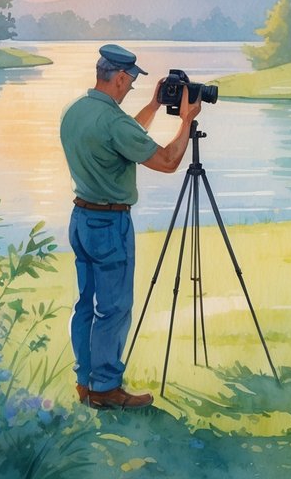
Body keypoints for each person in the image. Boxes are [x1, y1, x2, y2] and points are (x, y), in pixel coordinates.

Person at [60, 43, 201, 410]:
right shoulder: (113, 121)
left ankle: (84, 381)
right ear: (120, 77)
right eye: (131, 82)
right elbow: (169, 161)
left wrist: (154, 107)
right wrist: (185, 120)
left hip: (80, 219)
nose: (130, 88)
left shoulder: (76, 111)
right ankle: (106, 389)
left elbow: (123, 138)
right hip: (109, 223)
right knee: (115, 308)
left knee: (85, 305)